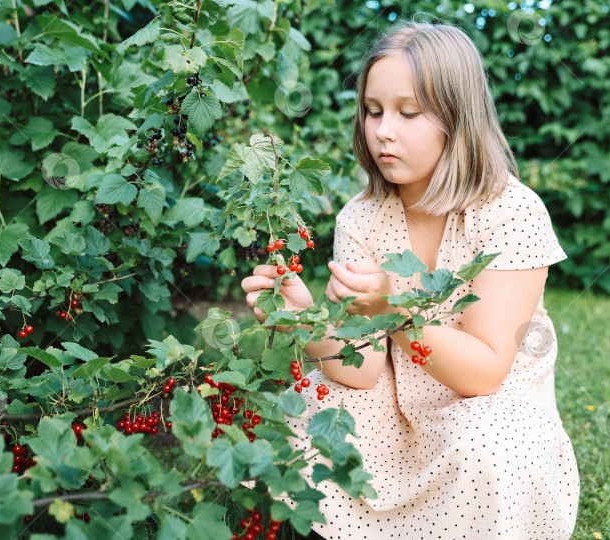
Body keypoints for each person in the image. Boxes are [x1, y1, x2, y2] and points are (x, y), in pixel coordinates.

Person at [241, 20, 579, 539]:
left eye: (409, 112)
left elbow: (485, 373)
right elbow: (360, 368)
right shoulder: (363, 217)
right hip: (397, 410)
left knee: (483, 446)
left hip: (490, 412)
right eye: (373, 112)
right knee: (314, 411)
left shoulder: (512, 212)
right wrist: (303, 317)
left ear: (457, 118)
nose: (383, 131)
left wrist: (391, 306)